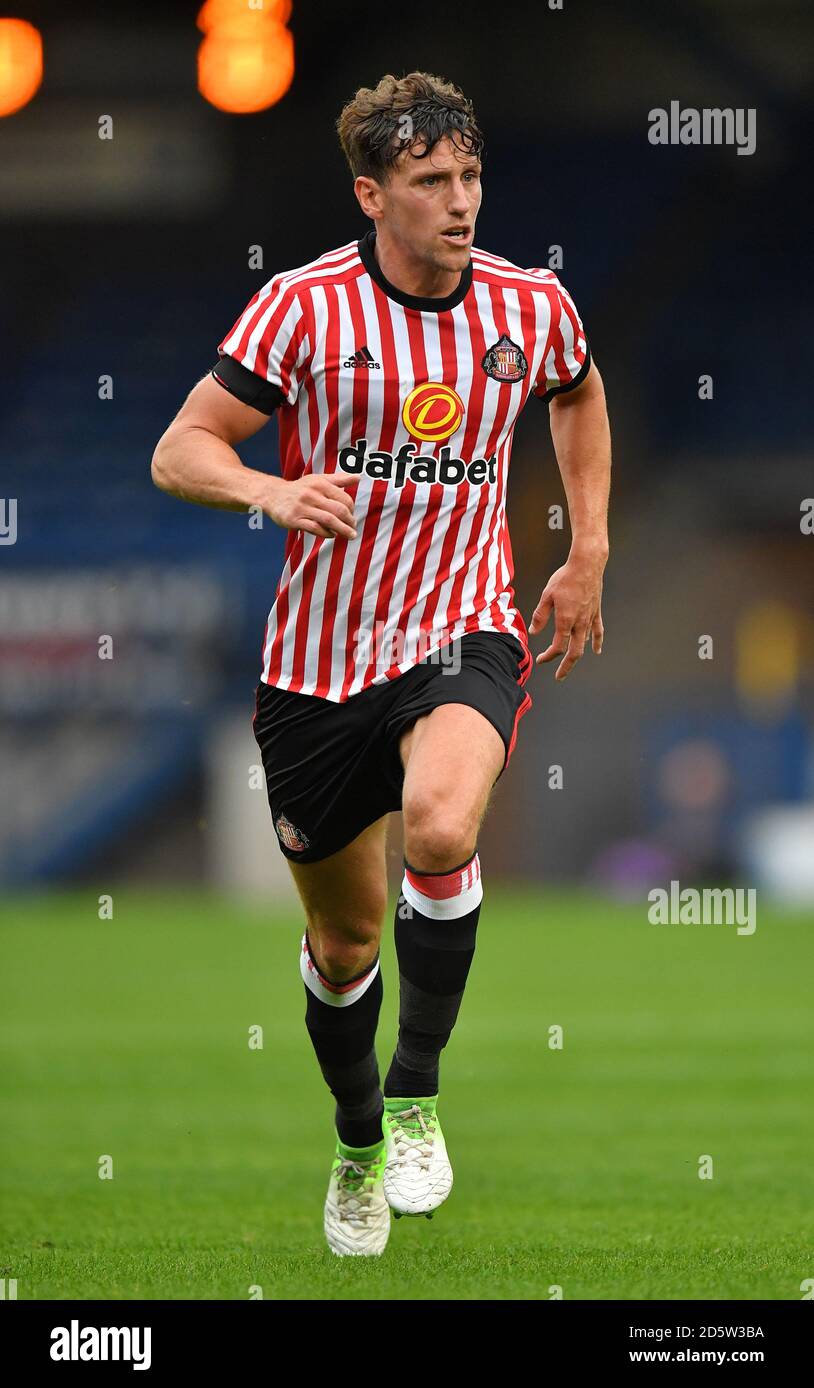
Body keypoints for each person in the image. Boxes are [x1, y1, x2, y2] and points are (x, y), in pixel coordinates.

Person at [151, 70, 611, 1257]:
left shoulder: (529, 305)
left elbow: (576, 391)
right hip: (316, 670)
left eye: (469, 177)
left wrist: (587, 546)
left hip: (465, 628)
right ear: (372, 194)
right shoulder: (301, 311)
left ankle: (415, 1097)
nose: (459, 203)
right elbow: (179, 448)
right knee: (345, 945)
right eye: (429, 183)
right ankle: (358, 1141)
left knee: (445, 829)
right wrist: (267, 487)